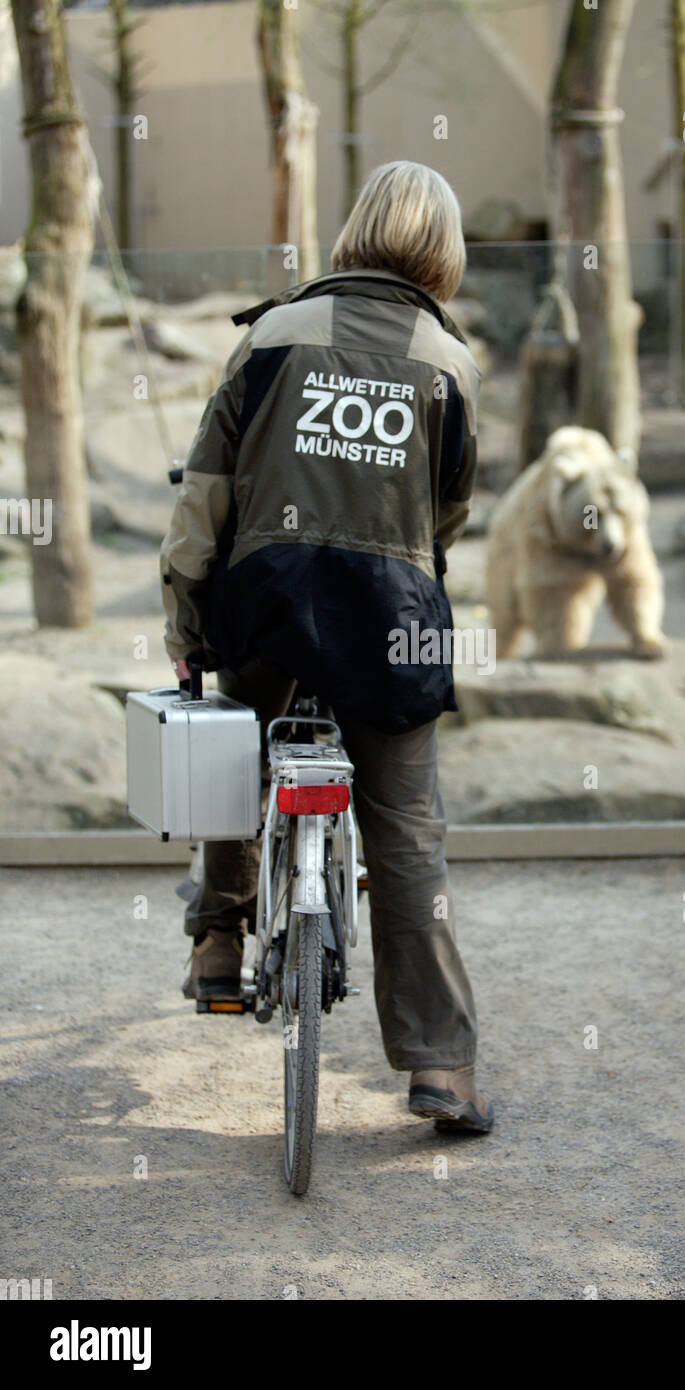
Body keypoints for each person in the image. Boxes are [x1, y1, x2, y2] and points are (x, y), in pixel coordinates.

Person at [159, 161, 492, 1133]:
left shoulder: (269, 338)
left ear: (353, 230)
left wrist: (188, 625)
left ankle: (218, 941)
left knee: (231, 750)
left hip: (265, 607)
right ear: (444, 250)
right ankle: (443, 1070)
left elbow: (204, 502)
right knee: (407, 832)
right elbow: (446, 518)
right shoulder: (449, 363)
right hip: (391, 625)